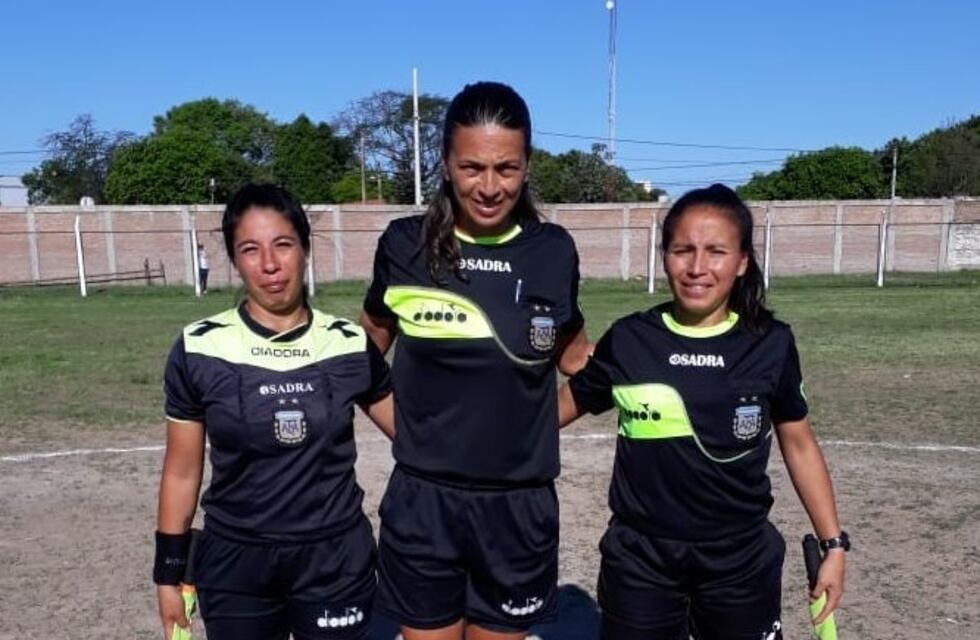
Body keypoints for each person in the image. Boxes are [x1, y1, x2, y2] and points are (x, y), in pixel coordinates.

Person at [559, 184, 848, 640]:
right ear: (664, 256)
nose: (697, 268)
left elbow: (799, 443)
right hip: (640, 561)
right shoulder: (631, 338)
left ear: (742, 261)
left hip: (740, 559)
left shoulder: (770, 343)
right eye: (682, 250)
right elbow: (553, 411)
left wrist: (833, 545)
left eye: (716, 252)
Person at [360, 81, 592, 640]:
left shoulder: (552, 251)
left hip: (518, 508)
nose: (489, 187)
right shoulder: (404, 245)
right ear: (444, 164)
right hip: (424, 505)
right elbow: (366, 346)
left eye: (506, 169)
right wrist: (404, 426)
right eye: (472, 168)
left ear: (528, 167)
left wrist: (538, 424)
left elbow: (580, 361)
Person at [154, 183, 395, 640]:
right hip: (236, 563)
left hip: (335, 558)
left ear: (305, 248)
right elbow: (182, 472)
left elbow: (415, 437)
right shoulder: (199, 347)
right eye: (250, 249)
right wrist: (168, 571)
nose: (269, 264)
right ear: (233, 258)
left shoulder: (348, 344)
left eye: (283, 244)